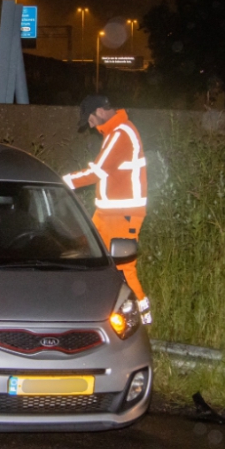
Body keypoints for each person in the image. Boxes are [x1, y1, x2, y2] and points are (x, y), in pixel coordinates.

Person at [63, 95, 151, 324]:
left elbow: (97, 172)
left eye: (90, 119)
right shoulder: (117, 132)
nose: (90, 126)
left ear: (99, 112)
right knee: (92, 260)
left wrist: (61, 182)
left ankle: (143, 321)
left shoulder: (121, 133)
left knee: (124, 268)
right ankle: (97, 316)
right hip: (108, 213)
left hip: (122, 214)